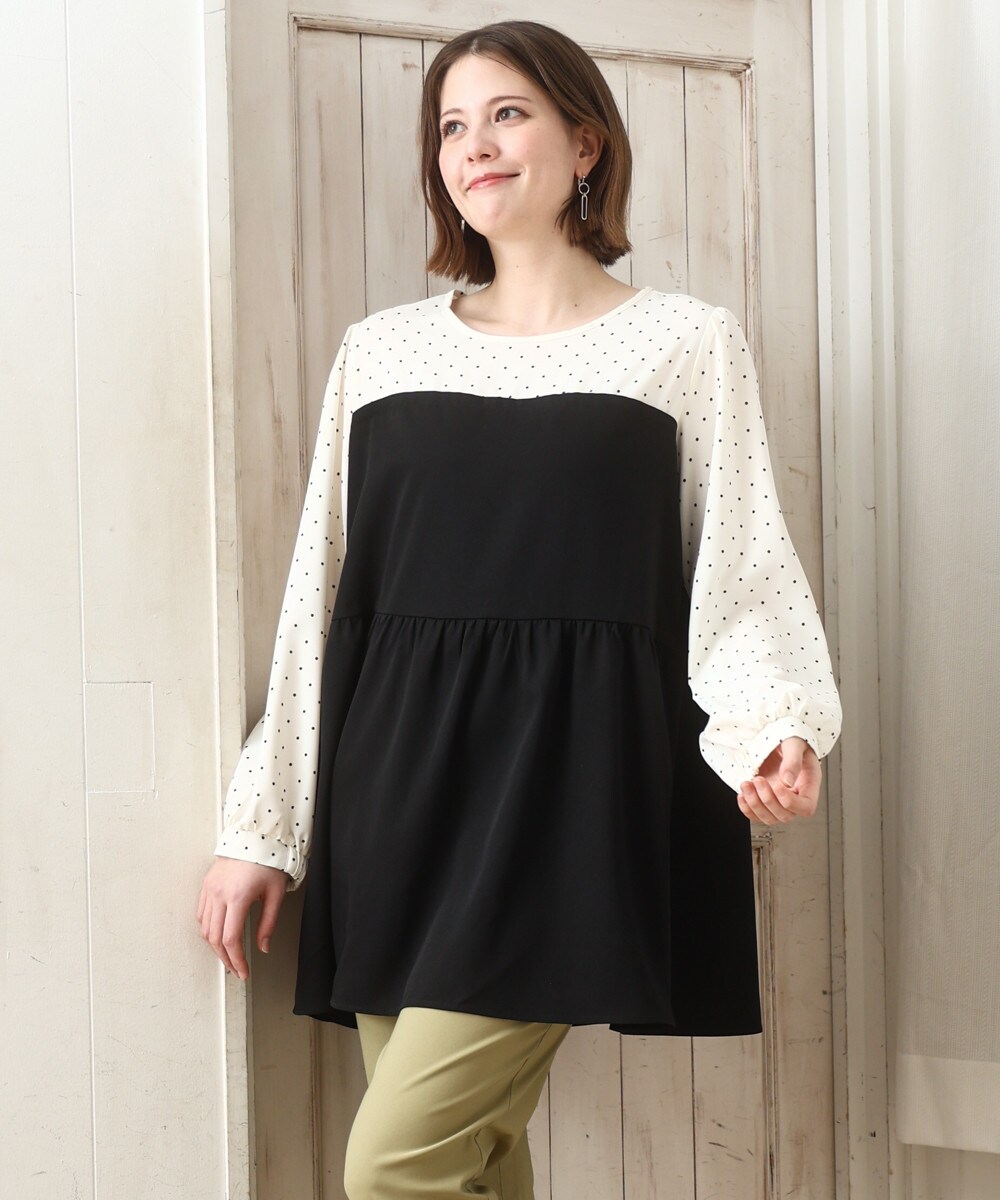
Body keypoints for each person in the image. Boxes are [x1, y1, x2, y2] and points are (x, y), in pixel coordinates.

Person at [197, 18, 843, 1199]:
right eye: (451, 126)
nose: (474, 146)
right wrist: (263, 826)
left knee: (398, 1168)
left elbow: (738, 563)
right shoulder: (381, 352)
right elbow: (320, 597)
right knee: (476, 1162)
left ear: (584, 142)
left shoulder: (683, 341)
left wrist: (775, 723)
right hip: (397, 786)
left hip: (569, 788)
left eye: (506, 114)